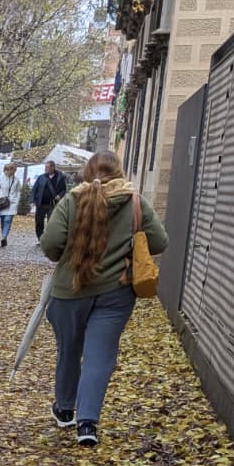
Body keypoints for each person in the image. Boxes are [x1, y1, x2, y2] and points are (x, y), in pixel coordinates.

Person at [40, 150, 167, 448]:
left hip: (69, 291)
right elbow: (160, 241)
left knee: (69, 349)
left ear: (88, 171)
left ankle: (64, 408)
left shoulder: (72, 200)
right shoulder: (135, 202)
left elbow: (51, 244)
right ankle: (87, 423)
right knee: (99, 355)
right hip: (115, 293)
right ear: (120, 172)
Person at [32, 159, 68, 242]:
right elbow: (34, 189)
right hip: (41, 203)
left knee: (51, 222)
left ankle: (48, 238)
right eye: (45, 167)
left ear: (53, 167)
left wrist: (59, 195)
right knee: (39, 221)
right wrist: (32, 200)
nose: (46, 169)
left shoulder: (60, 177)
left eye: (47, 167)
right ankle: (39, 237)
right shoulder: (41, 177)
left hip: (52, 204)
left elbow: (64, 190)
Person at [0, 161, 24, 247]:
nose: (12, 171)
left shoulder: (17, 180)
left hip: (12, 203)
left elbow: (18, 191)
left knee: (8, 220)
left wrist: (17, 201)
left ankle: (3, 237)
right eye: (10, 169)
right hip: (2, 202)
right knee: (3, 221)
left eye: (13, 169)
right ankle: (4, 236)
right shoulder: (0, 179)